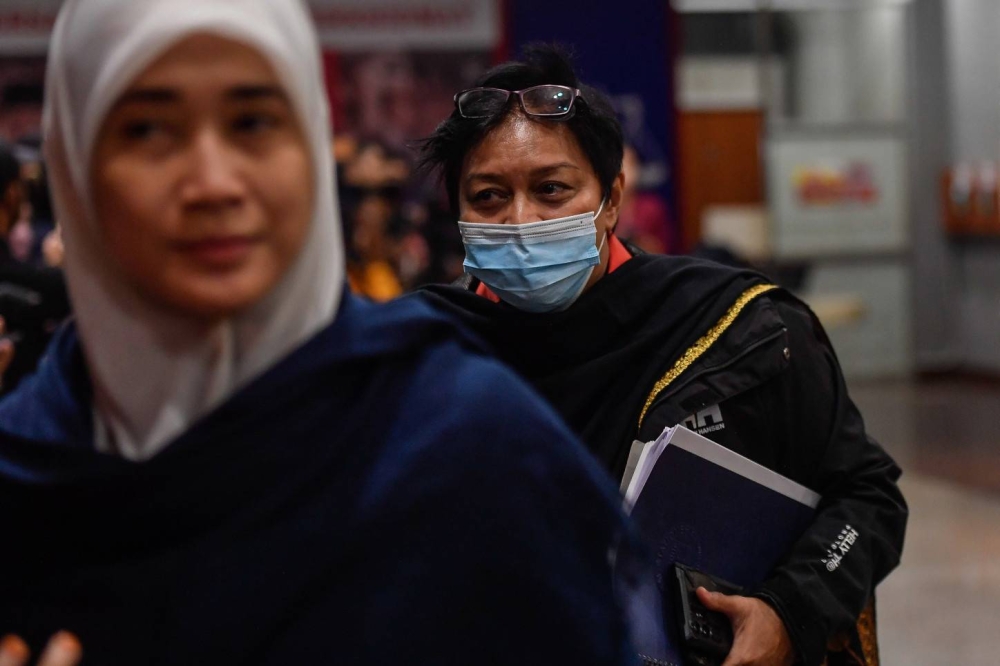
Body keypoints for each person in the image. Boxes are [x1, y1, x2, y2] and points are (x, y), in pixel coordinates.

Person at [0, 5, 639, 664]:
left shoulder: (469, 458)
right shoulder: (26, 476)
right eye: (148, 130)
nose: (213, 184)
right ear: (73, 167)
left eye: (253, 122)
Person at [419, 45, 908, 666]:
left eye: (551, 189)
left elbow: (866, 497)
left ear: (612, 198)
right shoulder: (422, 354)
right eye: (488, 197)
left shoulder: (743, 330)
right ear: (458, 216)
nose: (521, 221)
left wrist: (790, 612)